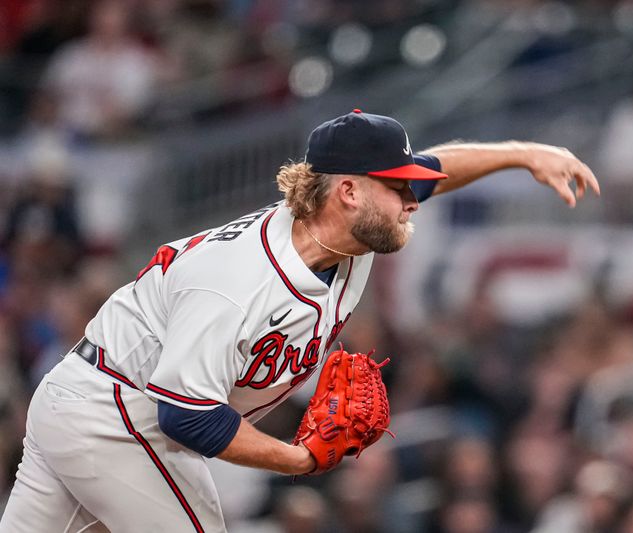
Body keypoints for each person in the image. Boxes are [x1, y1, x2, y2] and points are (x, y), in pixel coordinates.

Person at [0, 109, 600, 532]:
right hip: (118, 413)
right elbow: (184, 418)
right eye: (399, 189)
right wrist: (300, 459)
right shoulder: (237, 280)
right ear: (347, 191)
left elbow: (441, 167)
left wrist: (523, 155)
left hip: (94, 401)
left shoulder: (350, 231)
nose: (413, 200)